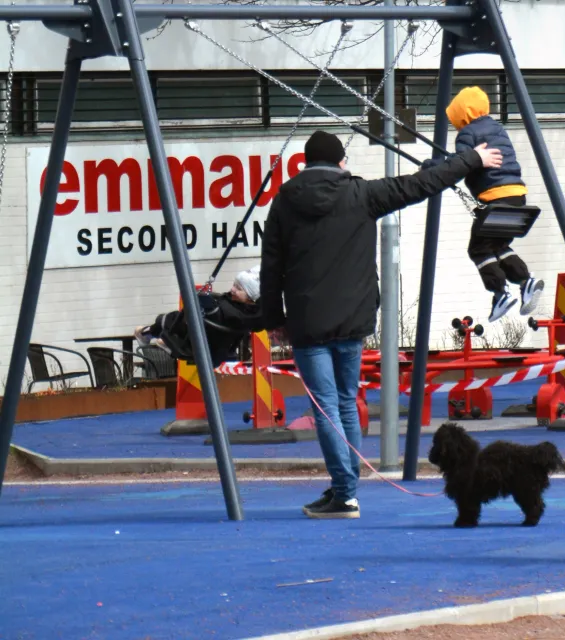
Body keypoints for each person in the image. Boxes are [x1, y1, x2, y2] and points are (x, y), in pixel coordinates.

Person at [261, 130, 503, 519]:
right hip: (354, 317)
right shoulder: (361, 194)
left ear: (305, 163)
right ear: (341, 162)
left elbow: (270, 265)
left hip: (307, 320)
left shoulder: (285, 201)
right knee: (344, 401)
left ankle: (344, 492)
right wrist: (471, 160)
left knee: (325, 408)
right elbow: (422, 184)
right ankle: (346, 489)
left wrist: (273, 319)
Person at [446, 86, 544, 322]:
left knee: (478, 249)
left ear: (462, 114)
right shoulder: (497, 128)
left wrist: (435, 168)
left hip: (495, 198)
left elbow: (461, 164)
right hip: (517, 196)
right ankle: (526, 281)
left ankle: (500, 293)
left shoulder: (467, 134)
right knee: (497, 247)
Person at [133, 268, 265, 361]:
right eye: (234, 285)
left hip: (201, 341)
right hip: (209, 341)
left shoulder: (230, 312)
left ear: (250, 297)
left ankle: (151, 334)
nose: (232, 289)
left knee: (174, 321)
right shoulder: (250, 312)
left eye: (238, 289)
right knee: (175, 320)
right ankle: (149, 333)